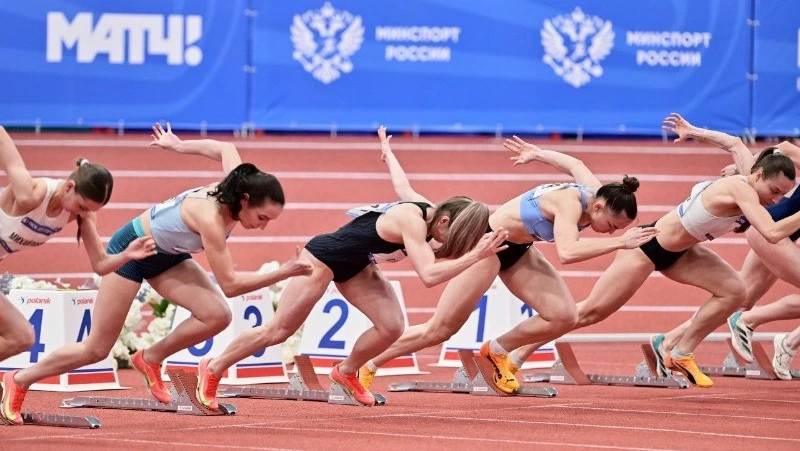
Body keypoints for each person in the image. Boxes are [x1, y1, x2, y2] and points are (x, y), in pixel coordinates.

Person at [1, 123, 312, 424]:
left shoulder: (239, 182)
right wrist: (285, 272)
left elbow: (225, 147)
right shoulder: (210, 218)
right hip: (133, 251)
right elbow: (230, 284)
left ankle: (149, 358)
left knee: (216, 314)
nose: (263, 226)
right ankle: (20, 380)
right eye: (262, 217)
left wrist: (179, 146)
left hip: (167, 255)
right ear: (245, 201)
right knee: (96, 349)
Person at [195, 126, 509, 407]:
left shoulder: (429, 209)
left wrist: (389, 155)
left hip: (358, 263)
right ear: (444, 220)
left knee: (391, 326)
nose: (449, 244)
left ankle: (345, 372)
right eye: (453, 236)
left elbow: (402, 187)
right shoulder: (412, 221)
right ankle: (214, 367)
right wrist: (475, 256)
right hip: (322, 257)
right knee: (279, 330)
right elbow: (428, 276)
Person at [509, 113, 800, 388]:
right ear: (760, 177)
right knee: (589, 312)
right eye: (774, 192)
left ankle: (680, 351)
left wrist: (693, 132)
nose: (776, 201)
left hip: (683, 253)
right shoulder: (742, 190)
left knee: (735, 291)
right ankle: (518, 355)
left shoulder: (750, 172)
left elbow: (734, 143)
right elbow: (772, 232)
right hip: (647, 248)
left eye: (782, 194)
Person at [358, 133, 656, 394]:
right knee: (440, 329)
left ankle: (496, 352)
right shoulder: (569, 202)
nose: (612, 232)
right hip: (486, 245)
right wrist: (620, 243)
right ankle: (365, 365)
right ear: (600, 207)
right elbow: (567, 252)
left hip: (518, 248)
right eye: (613, 226)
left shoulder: (596, 193)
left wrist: (539, 154)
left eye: (618, 230)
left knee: (563, 316)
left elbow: (575, 164)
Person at [0, 125, 156, 369]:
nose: (83, 214)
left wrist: (126, 255)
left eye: (91, 211)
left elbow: (101, 265)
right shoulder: (31, 195)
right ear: (70, 186)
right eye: (83, 207)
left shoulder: (81, 215)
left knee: (22, 337)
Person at [661, 139, 800, 381]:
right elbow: (784, 149)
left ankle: (668, 341)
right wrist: (746, 170)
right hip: (769, 233)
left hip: (779, 236)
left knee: (738, 298)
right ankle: (757, 327)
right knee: (740, 306)